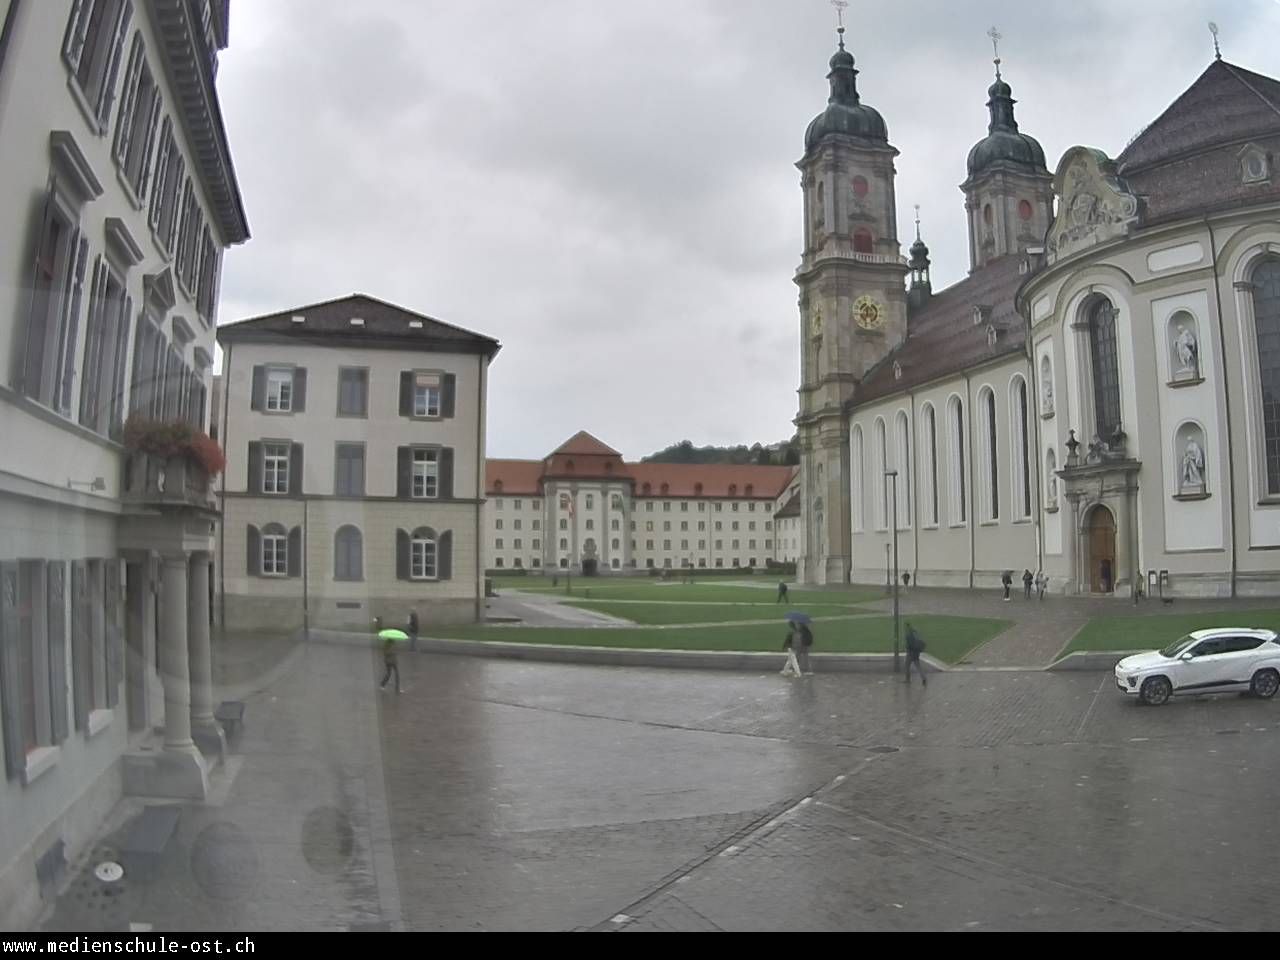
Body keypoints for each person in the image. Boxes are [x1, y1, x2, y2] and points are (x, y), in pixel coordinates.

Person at [375, 617, 401, 694]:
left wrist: (394, 652)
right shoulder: (387, 644)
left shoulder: (393, 643)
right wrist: (392, 652)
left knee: (394, 674)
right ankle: (383, 685)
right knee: (390, 674)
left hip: (392, 661)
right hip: (390, 661)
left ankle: (395, 688)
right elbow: (386, 652)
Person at [904, 622, 927, 686]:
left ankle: (907, 679)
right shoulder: (915, 634)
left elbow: (909, 645)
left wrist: (906, 648)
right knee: (918, 666)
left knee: (906, 666)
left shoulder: (908, 635)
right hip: (916, 653)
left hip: (910, 654)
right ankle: (923, 678)